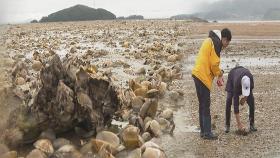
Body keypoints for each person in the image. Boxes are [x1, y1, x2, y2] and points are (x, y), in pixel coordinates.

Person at [192, 28, 232, 140]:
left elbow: (209, 61)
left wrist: (218, 73)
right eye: (227, 42)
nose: (226, 45)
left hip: (196, 74)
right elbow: (214, 64)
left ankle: (203, 131)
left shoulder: (209, 40)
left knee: (202, 104)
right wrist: (220, 73)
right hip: (203, 77)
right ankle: (207, 133)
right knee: (206, 105)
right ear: (224, 39)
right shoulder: (216, 43)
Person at [225, 66, 257, 133]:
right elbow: (235, 105)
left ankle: (252, 124)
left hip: (242, 73)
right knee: (229, 100)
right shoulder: (236, 83)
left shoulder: (250, 79)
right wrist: (239, 124)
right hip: (232, 76)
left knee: (252, 101)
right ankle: (227, 125)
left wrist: (245, 98)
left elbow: (249, 90)